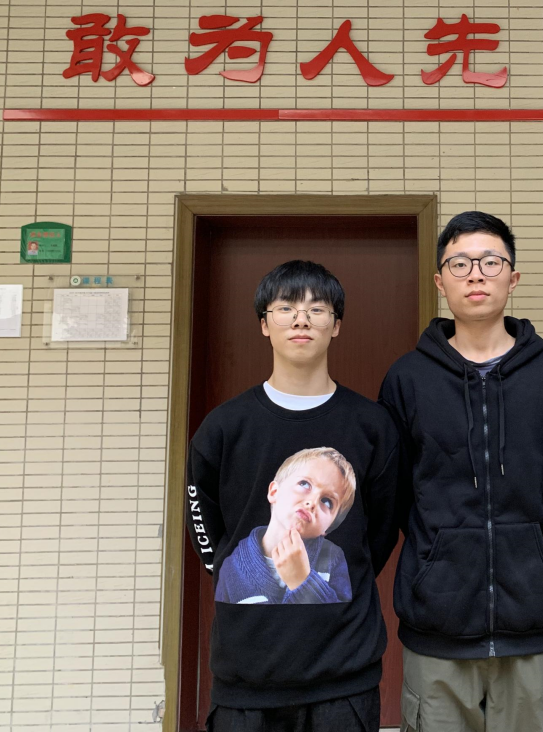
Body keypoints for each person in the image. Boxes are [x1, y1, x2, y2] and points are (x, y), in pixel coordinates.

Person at [379, 211, 543, 732]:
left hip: (531, 620)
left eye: (491, 262)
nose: (476, 275)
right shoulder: (408, 378)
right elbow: (395, 496)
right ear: (439, 280)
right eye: (460, 264)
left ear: (513, 277)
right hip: (437, 622)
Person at [185, 260, 399, 732]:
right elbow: (203, 522)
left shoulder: (372, 426)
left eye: (317, 309)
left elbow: (380, 532)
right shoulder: (224, 427)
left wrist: (308, 576)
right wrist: (233, 568)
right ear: (264, 323)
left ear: (336, 325)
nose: (301, 319)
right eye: (285, 308)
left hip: (342, 675)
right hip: (245, 677)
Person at [215, 447, 356, 605]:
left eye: (327, 501)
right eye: (304, 484)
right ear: (274, 492)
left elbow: (339, 618)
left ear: (328, 528)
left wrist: (302, 580)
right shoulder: (231, 568)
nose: (312, 502)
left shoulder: (333, 558)